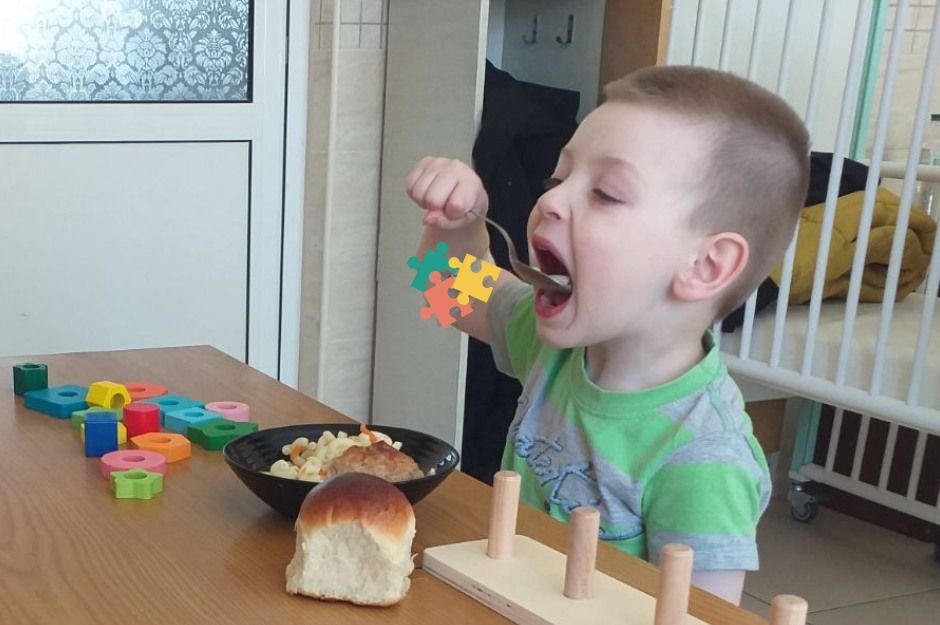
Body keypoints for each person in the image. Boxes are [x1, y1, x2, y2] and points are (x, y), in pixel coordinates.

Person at [406, 65, 810, 605]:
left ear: (706, 265)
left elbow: (700, 616)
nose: (549, 202)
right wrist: (456, 226)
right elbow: (445, 291)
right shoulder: (557, 345)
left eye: (606, 194)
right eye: (557, 180)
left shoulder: (703, 461)